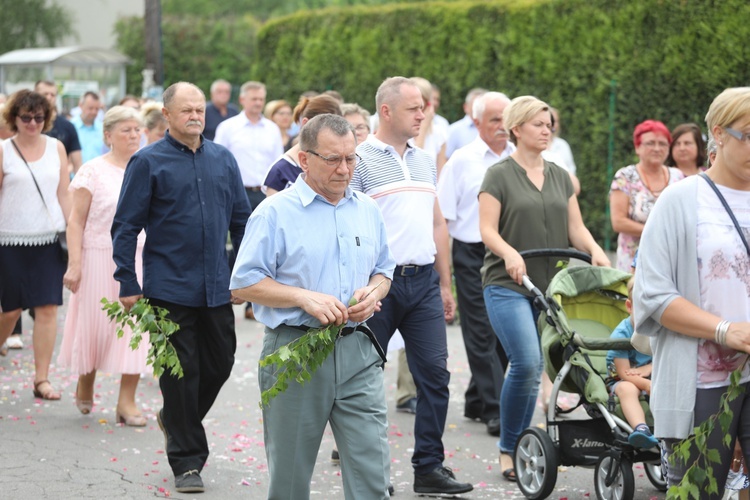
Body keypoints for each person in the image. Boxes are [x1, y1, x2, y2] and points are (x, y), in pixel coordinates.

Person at [230, 113, 395, 499]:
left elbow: (384, 271)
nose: (344, 169)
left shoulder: (367, 209)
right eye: (332, 159)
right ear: (304, 159)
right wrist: (302, 296)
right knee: (289, 479)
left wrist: (373, 293)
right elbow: (244, 282)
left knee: (373, 472)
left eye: (351, 159)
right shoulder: (274, 212)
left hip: (358, 350)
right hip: (296, 351)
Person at [111, 82, 251, 493]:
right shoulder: (148, 162)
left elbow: (242, 223)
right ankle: (187, 462)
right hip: (167, 286)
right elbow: (125, 226)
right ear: (167, 117)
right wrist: (126, 279)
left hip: (217, 287)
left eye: (200, 110)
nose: (195, 116)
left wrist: (244, 275)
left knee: (221, 362)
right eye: (186, 110)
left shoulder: (224, 160)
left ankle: (175, 419)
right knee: (181, 372)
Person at [352, 76, 473, 496]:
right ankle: (370, 474)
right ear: (386, 111)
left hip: (423, 283)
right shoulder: (359, 159)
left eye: (423, 107)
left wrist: (445, 284)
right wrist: (361, 287)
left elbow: (438, 223)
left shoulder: (424, 160)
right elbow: (348, 226)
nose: (423, 114)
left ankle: (429, 468)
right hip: (378, 285)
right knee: (363, 382)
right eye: (413, 108)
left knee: (435, 378)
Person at [478, 95, 609, 482]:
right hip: (508, 284)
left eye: (549, 123)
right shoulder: (498, 175)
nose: (547, 129)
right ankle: (510, 447)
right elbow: (486, 230)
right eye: (538, 123)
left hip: (552, 287)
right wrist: (508, 253)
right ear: (516, 129)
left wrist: (597, 252)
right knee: (529, 363)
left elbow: (576, 228)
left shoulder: (560, 175)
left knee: (579, 359)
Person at [634, 87, 750, 499]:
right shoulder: (681, 201)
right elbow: (653, 295)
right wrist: (724, 330)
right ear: (719, 134)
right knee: (699, 492)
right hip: (700, 381)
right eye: (749, 134)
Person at [57, 106, 150, 424]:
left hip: (138, 258)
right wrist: (75, 264)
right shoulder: (92, 171)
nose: (134, 135)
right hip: (98, 255)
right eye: (126, 130)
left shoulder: (149, 167)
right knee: (95, 327)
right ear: (108, 135)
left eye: (137, 129)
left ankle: (126, 402)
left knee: (135, 330)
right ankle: (86, 380)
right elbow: (75, 221)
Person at [436, 91, 513, 437]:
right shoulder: (461, 161)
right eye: (495, 119)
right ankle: (497, 409)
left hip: (511, 253)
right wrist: (443, 276)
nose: (502, 126)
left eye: (506, 118)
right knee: (480, 330)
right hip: (471, 254)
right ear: (477, 122)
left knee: (505, 331)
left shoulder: (520, 159)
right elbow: (443, 220)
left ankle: (476, 400)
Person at [0, 90, 71, 396]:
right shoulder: (3, 150)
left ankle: (41, 379)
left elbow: (64, 194)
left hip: (48, 240)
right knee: (10, 311)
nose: (32, 123)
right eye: (26, 117)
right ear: (14, 118)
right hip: (9, 240)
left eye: (38, 117)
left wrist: (73, 233)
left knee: (47, 309)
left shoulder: (57, 148)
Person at [609, 119, 684, 271]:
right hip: (633, 263)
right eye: (650, 143)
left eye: (662, 144)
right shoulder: (625, 176)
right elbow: (618, 222)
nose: (657, 148)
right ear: (637, 147)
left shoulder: (678, 177)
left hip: (670, 260)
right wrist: (658, 232)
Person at [605, 277, 658, 449]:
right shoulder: (621, 334)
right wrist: (647, 384)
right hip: (622, 379)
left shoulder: (658, 329)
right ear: (629, 307)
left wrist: (649, 368)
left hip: (652, 374)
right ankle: (641, 428)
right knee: (627, 388)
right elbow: (624, 373)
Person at [214, 81, 283, 212]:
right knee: (240, 232)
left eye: (261, 99)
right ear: (242, 100)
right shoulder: (227, 127)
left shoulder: (273, 129)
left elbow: (278, 163)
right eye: (254, 99)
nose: (258, 103)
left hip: (267, 193)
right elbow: (218, 162)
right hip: (238, 192)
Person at [263, 94, 341, 196]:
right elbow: (274, 210)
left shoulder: (342, 163)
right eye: (327, 128)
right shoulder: (280, 171)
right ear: (306, 123)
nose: (334, 134)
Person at [35, 80, 83, 174]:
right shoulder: (27, 124)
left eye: (52, 95)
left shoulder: (68, 126)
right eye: (45, 94)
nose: (49, 97)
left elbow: (77, 164)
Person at [410, 77, 448, 174]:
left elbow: (441, 175)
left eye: (422, 106)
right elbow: (413, 165)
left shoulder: (438, 133)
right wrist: (422, 129)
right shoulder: (400, 133)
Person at [445, 87, 487, 158]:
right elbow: (444, 158)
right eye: (475, 105)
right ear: (465, 107)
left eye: (482, 106)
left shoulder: (493, 128)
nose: (478, 109)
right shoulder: (454, 130)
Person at [71, 91, 106, 164]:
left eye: (97, 109)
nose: (94, 112)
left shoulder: (103, 129)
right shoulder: (70, 127)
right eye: (90, 108)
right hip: (75, 174)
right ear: (80, 106)